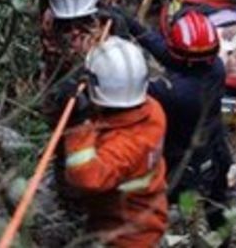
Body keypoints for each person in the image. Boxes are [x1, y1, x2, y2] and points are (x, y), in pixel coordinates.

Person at [121, 9, 233, 237]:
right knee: (217, 207)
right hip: (216, 151)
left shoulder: (175, 94)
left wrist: (120, 44)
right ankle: (221, 239)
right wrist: (131, 24)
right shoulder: (216, 68)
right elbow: (168, 54)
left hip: (184, 166)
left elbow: (130, 84)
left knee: (183, 218)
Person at [63, 36, 169, 247]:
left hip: (126, 236)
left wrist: (78, 128)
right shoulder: (153, 111)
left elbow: (87, 177)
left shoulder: (123, 145)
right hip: (146, 219)